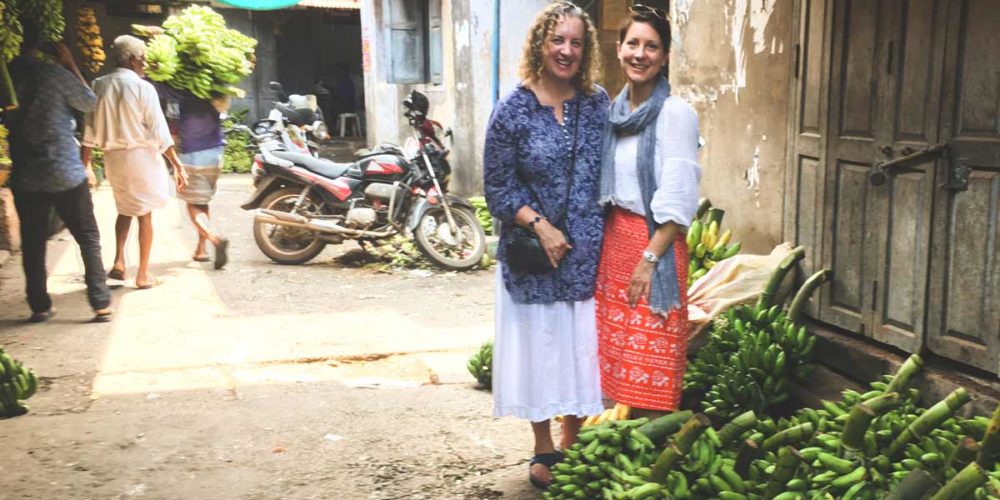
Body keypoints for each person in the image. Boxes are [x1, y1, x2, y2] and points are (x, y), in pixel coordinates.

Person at [483, 2, 608, 489]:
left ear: (586, 50)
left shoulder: (597, 104)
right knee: (539, 347)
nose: (566, 51)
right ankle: (543, 447)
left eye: (576, 42)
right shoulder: (512, 109)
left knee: (578, 351)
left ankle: (574, 441)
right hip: (533, 255)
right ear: (540, 44)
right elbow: (497, 187)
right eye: (558, 40)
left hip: (585, 254)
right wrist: (540, 224)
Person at [595, 5, 702, 415]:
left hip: (653, 248)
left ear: (666, 56)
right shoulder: (615, 113)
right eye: (633, 44)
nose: (641, 54)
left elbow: (678, 198)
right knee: (620, 363)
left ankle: (653, 465)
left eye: (652, 46)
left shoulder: (675, 114)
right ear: (619, 50)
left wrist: (649, 259)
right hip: (614, 245)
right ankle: (620, 458)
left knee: (652, 364)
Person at [6, 27, 112, 323]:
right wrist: (69, 62)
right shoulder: (52, 73)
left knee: (33, 240)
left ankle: (39, 305)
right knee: (87, 236)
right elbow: (89, 102)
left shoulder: (7, 78)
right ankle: (100, 302)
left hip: (27, 175)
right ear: (40, 43)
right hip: (65, 171)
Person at [82, 35, 187, 289]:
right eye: (142, 59)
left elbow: (88, 130)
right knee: (144, 214)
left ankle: (119, 262)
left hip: (113, 159)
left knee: (125, 208)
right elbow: (159, 131)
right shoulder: (143, 88)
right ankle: (142, 274)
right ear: (131, 60)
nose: (144, 64)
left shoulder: (98, 85)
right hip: (141, 158)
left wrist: (84, 164)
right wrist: (176, 164)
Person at [153, 83, 229, 269]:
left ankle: (214, 239)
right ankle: (200, 249)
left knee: (192, 203)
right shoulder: (214, 89)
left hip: (193, 154)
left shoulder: (181, 91)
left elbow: (165, 100)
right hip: (215, 152)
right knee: (202, 201)